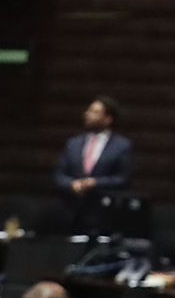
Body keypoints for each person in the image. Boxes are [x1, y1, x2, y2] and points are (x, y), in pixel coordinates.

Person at [51, 97, 133, 232]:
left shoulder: (121, 146)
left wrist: (96, 183)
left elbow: (123, 178)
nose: (88, 115)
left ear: (107, 119)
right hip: (71, 210)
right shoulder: (73, 143)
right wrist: (71, 184)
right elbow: (59, 174)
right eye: (88, 111)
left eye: (95, 112)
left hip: (102, 211)